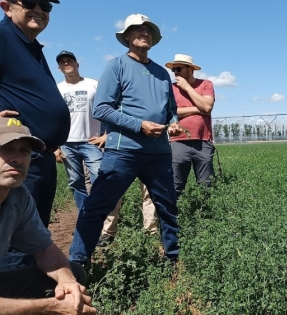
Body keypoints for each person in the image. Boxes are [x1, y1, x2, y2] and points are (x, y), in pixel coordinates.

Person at [69, 14, 182, 265]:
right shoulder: (116, 66)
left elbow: (171, 109)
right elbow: (101, 109)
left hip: (159, 152)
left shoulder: (162, 74)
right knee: (98, 206)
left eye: (148, 30)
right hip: (123, 151)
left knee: (168, 207)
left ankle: (173, 259)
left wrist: (173, 123)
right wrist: (139, 126)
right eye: (138, 30)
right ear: (127, 36)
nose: (144, 33)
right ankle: (77, 263)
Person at [0, 0, 70, 270]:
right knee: (14, 238)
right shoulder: (4, 39)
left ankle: (29, 288)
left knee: (34, 234)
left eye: (46, 5)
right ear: (6, 6)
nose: (39, 9)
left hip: (40, 155)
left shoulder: (29, 46)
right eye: (30, 2)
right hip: (11, 155)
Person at [0, 117, 96, 314]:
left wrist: (67, 281)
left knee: (73, 273)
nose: (17, 158)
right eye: (6, 149)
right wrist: (51, 306)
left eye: (24, 151)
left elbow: (45, 251)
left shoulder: (18, 196)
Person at [55, 50, 104, 212]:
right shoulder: (57, 89)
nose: (66, 63)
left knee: (99, 177)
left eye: (70, 60)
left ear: (78, 64)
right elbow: (53, 118)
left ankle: (96, 215)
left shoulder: (94, 85)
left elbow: (108, 109)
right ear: (59, 68)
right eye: (62, 62)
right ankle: (85, 217)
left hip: (92, 141)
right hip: (67, 142)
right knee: (76, 182)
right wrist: (55, 146)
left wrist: (106, 134)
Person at [166, 54, 216, 196]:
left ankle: (207, 215)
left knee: (206, 184)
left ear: (190, 69)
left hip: (203, 141)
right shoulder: (171, 88)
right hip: (178, 142)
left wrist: (188, 88)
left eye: (179, 69)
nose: (175, 73)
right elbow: (169, 112)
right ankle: (177, 215)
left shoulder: (205, 84)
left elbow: (207, 107)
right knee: (176, 184)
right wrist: (197, 108)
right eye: (173, 70)